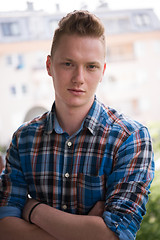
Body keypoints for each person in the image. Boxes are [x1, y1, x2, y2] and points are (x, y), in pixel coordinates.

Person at [0, 10, 154, 240]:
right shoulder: (24, 140)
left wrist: (33, 210)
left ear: (102, 71)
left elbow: (114, 236)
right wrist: (87, 230)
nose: (79, 78)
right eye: (68, 63)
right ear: (49, 66)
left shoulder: (130, 139)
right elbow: (4, 229)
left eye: (91, 66)